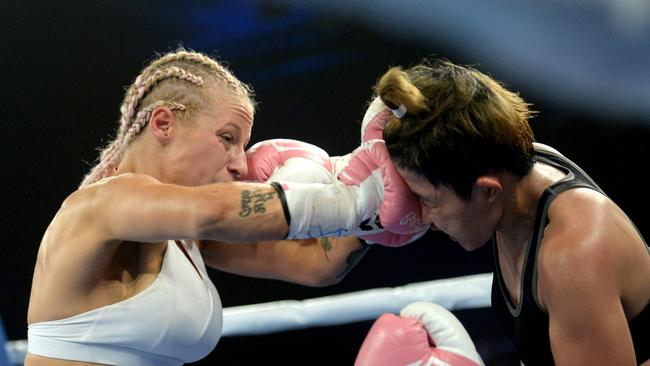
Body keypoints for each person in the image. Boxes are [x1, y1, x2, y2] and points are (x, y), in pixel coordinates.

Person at [25, 48, 372, 366]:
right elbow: (212, 211)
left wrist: (373, 188)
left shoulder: (186, 238)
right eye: (227, 138)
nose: (240, 165)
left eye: (243, 146)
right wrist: (345, 200)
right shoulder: (101, 204)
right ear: (163, 124)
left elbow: (318, 264)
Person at [372, 58, 650, 365]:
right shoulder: (509, 166)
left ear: (488, 190)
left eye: (430, 201)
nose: (424, 218)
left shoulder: (572, 258)